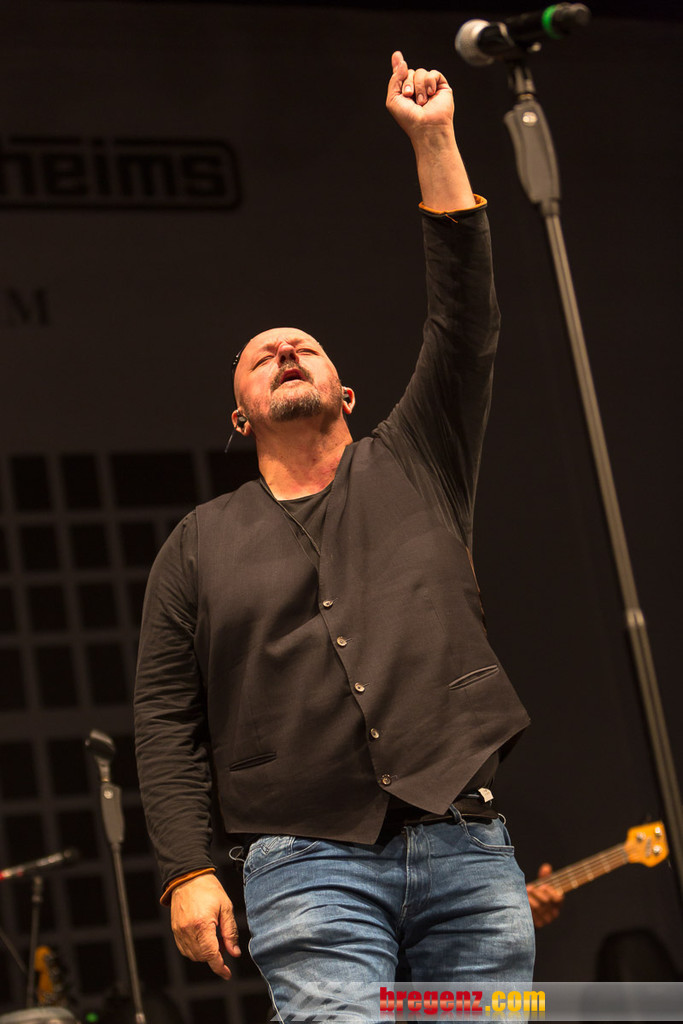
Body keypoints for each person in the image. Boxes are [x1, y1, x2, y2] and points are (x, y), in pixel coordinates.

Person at [134, 50, 535, 1020]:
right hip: (302, 857)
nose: (284, 349)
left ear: (345, 393)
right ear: (240, 415)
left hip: (466, 840)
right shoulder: (197, 542)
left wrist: (434, 140)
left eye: (303, 346)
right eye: (260, 354)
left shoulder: (416, 459)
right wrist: (186, 867)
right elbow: (165, 716)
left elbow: (464, 317)